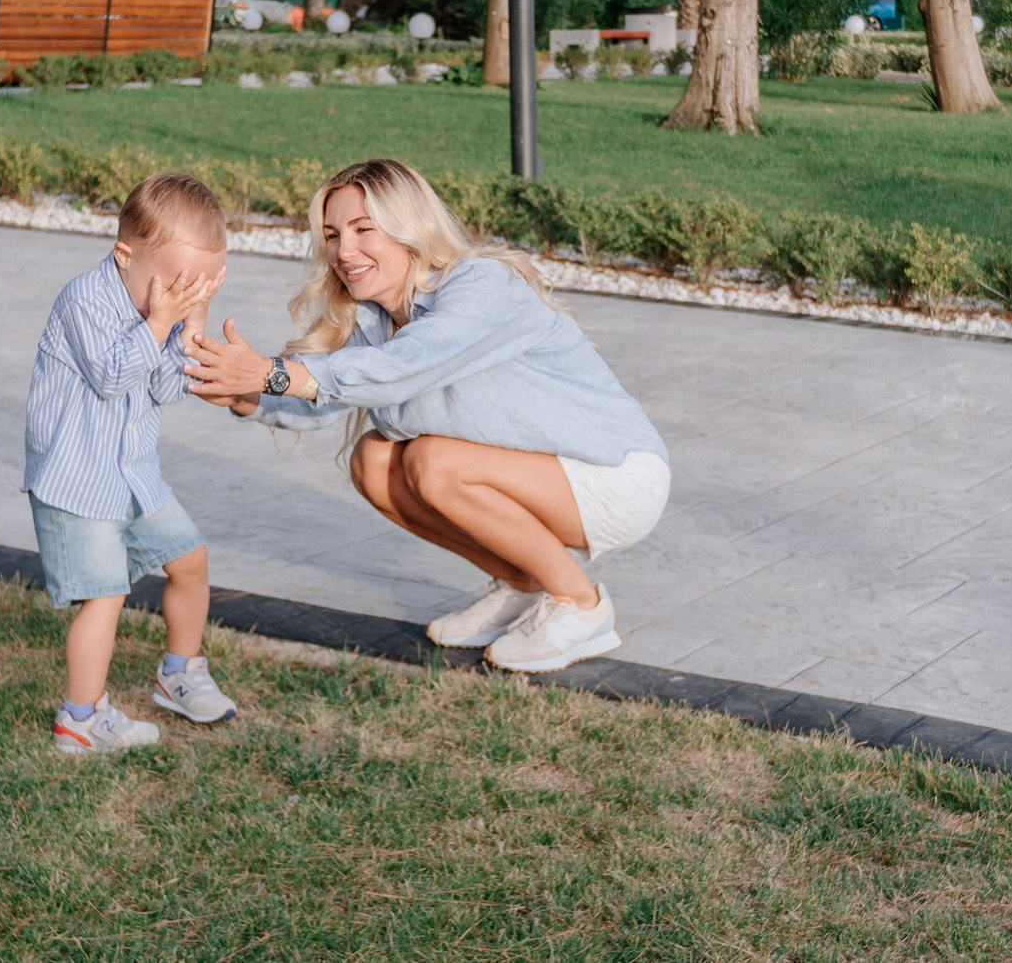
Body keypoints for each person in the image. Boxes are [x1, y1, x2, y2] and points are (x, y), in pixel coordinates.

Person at [187, 158, 668, 674]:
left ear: (409, 230)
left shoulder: (481, 284)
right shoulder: (373, 318)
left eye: (363, 230)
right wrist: (239, 391)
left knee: (434, 463)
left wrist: (270, 373)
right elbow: (324, 397)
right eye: (331, 235)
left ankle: (583, 606)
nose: (343, 251)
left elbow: (404, 367)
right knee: (374, 459)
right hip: (545, 473)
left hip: (615, 473)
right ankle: (523, 588)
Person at [24, 171, 241, 753]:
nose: (180, 294)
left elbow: (168, 387)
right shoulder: (84, 300)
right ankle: (80, 718)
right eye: (175, 283)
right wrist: (164, 320)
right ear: (124, 256)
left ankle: (179, 673)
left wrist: (190, 321)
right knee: (106, 595)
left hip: (133, 476)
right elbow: (113, 374)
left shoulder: (164, 309)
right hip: (78, 483)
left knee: (190, 558)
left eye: (196, 286)